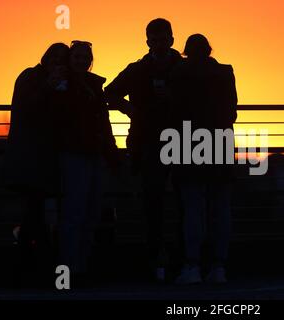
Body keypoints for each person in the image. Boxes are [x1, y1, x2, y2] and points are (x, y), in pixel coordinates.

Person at [105, 18, 183, 282]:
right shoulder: (145, 69)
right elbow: (111, 93)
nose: (160, 43)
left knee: (179, 204)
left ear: (171, 40)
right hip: (153, 143)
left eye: (164, 39)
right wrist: (132, 111)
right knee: (156, 204)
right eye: (156, 39)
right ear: (149, 41)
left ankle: (172, 260)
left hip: (169, 143)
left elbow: (111, 93)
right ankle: (160, 260)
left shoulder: (172, 68)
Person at [169, 34, 238, 284]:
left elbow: (173, 110)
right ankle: (219, 266)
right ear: (209, 50)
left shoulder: (178, 73)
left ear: (186, 51)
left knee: (193, 208)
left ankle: (192, 265)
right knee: (221, 208)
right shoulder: (225, 72)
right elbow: (232, 110)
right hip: (219, 143)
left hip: (188, 143)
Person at [3, 43, 70, 286]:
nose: (58, 62)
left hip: (37, 160)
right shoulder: (31, 76)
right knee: (35, 213)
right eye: (55, 57)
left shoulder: (52, 82)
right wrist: (48, 87)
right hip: (30, 159)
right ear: (46, 58)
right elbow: (27, 108)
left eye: (63, 60)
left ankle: (25, 271)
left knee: (35, 213)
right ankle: (37, 269)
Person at [55, 40, 118, 282]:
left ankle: (80, 267)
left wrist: (110, 152)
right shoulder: (64, 84)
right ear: (71, 60)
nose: (81, 61)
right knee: (74, 214)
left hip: (93, 155)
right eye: (77, 57)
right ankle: (70, 270)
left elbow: (104, 123)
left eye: (85, 58)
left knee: (89, 213)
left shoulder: (92, 86)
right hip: (73, 154)